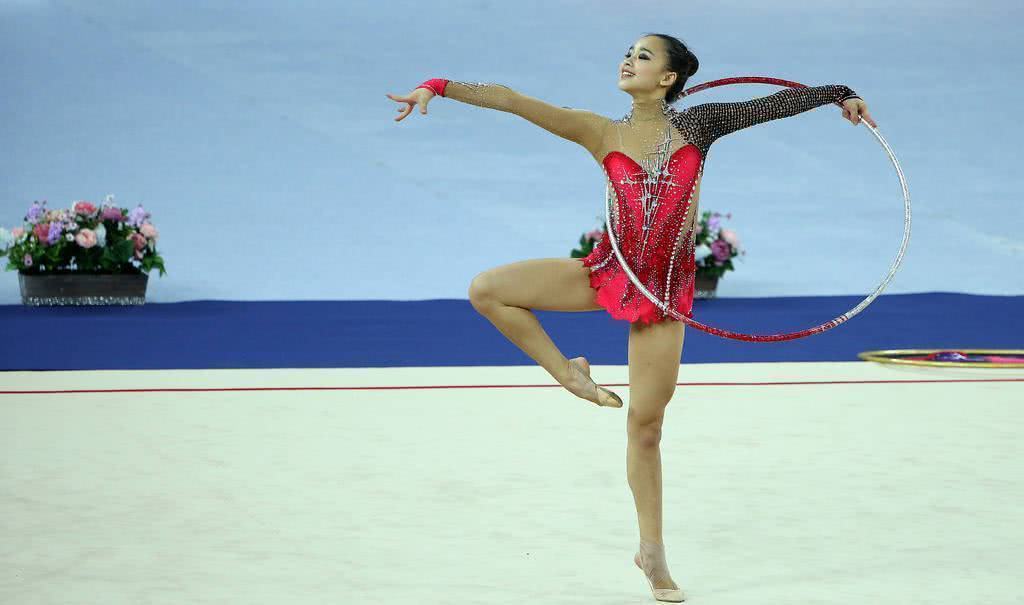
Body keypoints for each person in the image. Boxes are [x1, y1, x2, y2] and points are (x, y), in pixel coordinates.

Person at [386, 32, 874, 603]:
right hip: (608, 269)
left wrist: (840, 93)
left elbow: (772, 104)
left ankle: (652, 553)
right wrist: (437, 88)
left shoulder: (700, 125)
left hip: (663, 293)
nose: (628, 60)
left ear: (668, 77)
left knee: (646, 427)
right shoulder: (602, 131)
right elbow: (514, 101)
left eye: (643, 56)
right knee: (488, 289)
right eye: (627, 52)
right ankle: (567, 371)